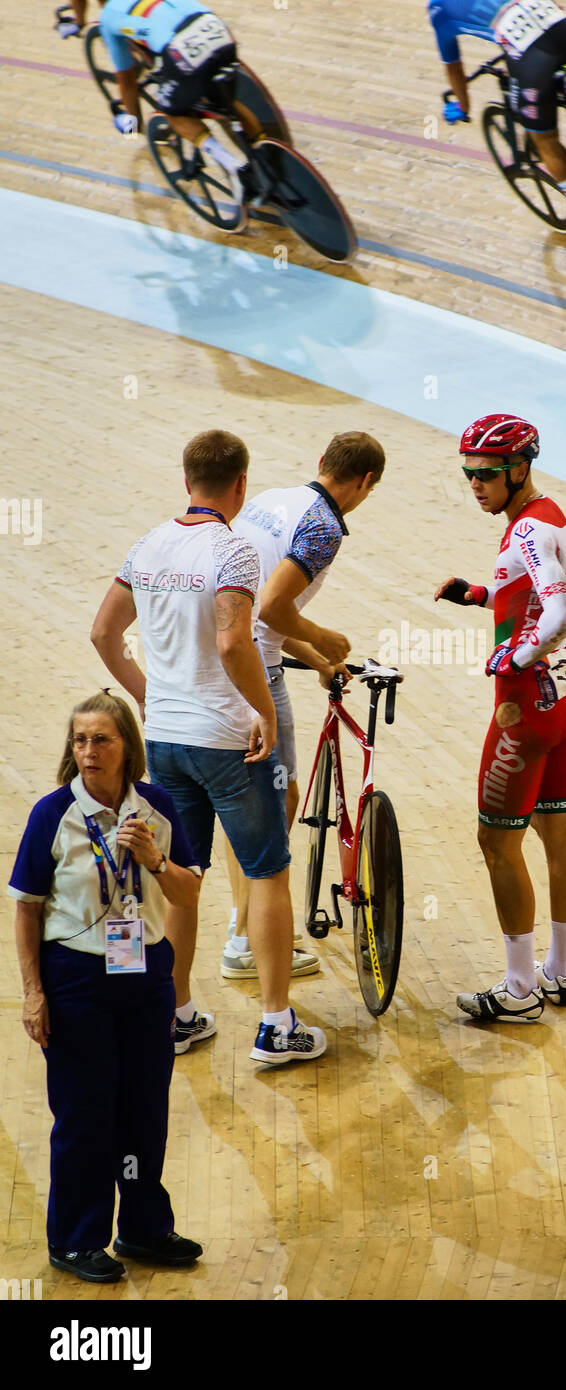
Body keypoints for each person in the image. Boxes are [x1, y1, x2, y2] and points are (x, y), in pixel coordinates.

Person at [90, 428, 326, 1066]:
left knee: (179, 877)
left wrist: (147, 696)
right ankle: (276, 1025)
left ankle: (177, 1014)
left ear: (185, 478)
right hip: (227, 741)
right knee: (267, 871)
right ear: (241, 485)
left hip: (163, 740)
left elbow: (104, 633)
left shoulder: (149, 544)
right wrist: (261, 711)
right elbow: (232, 642)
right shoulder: (236, 549)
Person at [8, 692, 203, 1283]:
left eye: (102, 739)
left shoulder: (159, 807)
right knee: (84, 1111)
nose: (89, 751)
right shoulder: (52, 815)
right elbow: (26, 910)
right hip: (76, 978)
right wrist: (33, 992)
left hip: (145, 975)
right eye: (80, 740)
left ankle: (143, 1228)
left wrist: (156, 860)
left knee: (144, 1108)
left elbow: (188, 895)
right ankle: (75, 1238)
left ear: (127, 748)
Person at [435, 413, 566, 1022]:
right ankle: (558, 972)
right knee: (559, 836)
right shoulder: (550, 516)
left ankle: (519, 989)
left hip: (524, 705)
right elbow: (532, 598)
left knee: (496, 842)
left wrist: (517, 654)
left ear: (518, 469)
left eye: (484, 475)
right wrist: (480, 595)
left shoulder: (525, 532)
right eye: (467, 474)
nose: (474, 485)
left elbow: (559, 616)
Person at [222, 431, 386, 980]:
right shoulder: (322, 526)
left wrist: (316, 658)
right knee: (276, 803)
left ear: (321, 463)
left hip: (220, 659)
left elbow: (252, 607)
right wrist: (325, 636)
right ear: (365, 483)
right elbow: (272, 606)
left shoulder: (273, 500)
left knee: (245, 804)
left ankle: (241, 926)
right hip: (256, 673)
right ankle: (252, 940)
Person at [428, 1, 566, 248]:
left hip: (532, 55)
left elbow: (453, 67)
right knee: (548, 69)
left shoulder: (438, 8)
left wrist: (463, 105)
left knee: (543, 140)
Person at [56, 0, 251, 228]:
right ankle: (265, 151)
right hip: (216, 28)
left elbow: (127, 82)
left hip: (181, 50)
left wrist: (131, 126)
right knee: (227, 101)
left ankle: (233, 167)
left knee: (173, 112)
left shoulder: (109, 16)